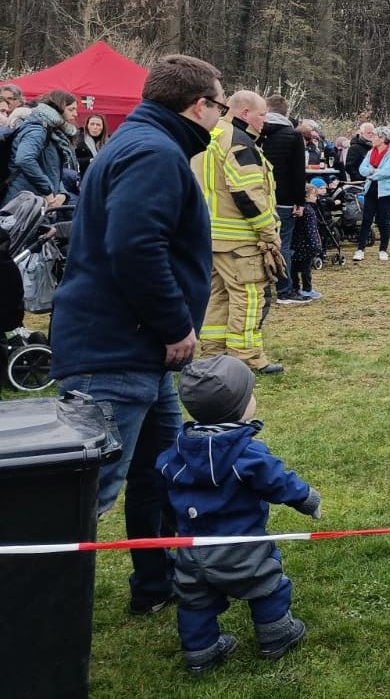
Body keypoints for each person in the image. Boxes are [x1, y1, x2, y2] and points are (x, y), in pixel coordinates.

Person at [53, 53, 223, 616]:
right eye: (219, 107)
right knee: (82, 495)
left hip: (140, 356)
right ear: (198, 106)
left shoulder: (148, 144)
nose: (221, 119)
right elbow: (134, 246)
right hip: (116, 353)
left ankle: (158, 585)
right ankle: (33, 609)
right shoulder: (152, 152)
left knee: (163, 473)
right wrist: (176, 325)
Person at [158, 356, 321, 673]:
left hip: (192, 550)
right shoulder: (246, 453)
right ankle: (276, 634)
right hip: (243, 545)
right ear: (241, 406)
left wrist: (170, 523)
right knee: (267, 584)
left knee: (195, 599)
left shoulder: (174, 452)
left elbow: (162, 489)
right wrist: (308, 499)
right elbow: (278, 481)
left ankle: (200, 652)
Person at [194, 91, 286, 375]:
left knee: (216, 298)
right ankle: (246, 357)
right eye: (261, 116)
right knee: (248, 298)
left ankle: (212, 354)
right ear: (244, 113)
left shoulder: (207, 134)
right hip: (240, 238)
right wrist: (268, 231)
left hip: (208, 235)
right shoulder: (237, 140)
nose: (265, 123)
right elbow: (246, 192)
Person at [258, 95, 307, 305]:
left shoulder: (257, 134)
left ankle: (263, 286)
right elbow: (298, 172)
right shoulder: (292, 136)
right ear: (286, 112)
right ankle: (285, 290)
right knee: (283, 243)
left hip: (259, 197)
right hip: (285, 197)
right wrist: (300, 201)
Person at [6, 88, 78, 205]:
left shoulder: (53, 131)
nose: (75, 114)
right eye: (71, 109)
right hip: (24, 203)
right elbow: (24, 159)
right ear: (58, 108)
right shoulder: (38, 128)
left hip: (36, 201)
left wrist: (61, 193)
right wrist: (48, 190)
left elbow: (52, 169)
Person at [354, 126, 390, 262]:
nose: (372, 138)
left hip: (387, 192)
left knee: (383, 220)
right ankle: (360, 249)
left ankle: (383, 249)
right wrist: (373, 172)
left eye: (375, 136)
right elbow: (362, 169)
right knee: (366, 219)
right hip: (371, 190)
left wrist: (373, 172)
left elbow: (387, 171)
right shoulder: (370, 152)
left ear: (383, 139)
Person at [289, 182, 322, 300]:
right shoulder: (309, 211)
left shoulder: (295, 209)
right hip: (307, 244)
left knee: (293, 267)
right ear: (307, 196)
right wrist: (316, 245)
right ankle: (307, 289)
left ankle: (295, 287)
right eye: (314, 195)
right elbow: (311, 229)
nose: (316, 198)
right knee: (306, 269)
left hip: (295, 243)